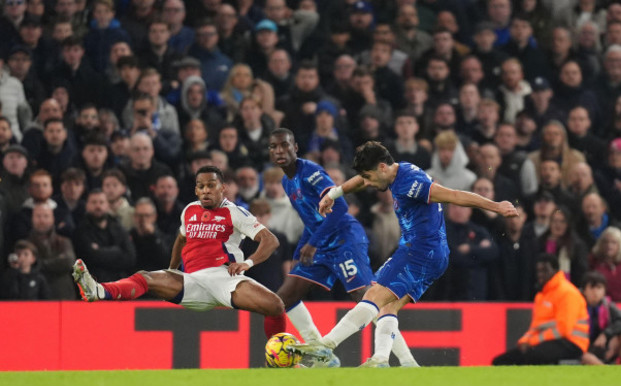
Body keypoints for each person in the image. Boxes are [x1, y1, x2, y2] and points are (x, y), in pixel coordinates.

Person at [289, 140, 517, 367]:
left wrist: (496, 206)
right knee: (388, 306)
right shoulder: (394, 171)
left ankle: (325, 345)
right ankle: (392, 361)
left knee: (372, 297)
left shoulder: (412, 182)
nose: (367, 182)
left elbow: (455, 195)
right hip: (431, 254)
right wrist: (335, 193)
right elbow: (361, 180)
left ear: (381, 168)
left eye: (369, 176)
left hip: (420, 251)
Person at [266, 129, 420, 368]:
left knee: (366, 298)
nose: (279, 151)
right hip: (321, 242)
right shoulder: (287, 182)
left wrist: (312, 243)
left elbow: (339, 207)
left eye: (284, 146)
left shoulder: (311, 172)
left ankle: (407, 361)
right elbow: (311, 219)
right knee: (285, 297)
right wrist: (303, 250)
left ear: (295, 148)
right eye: (274, 147)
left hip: (344, 239)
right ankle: (323, 356)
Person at [72, 166, 285, 331]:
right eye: (201, 186)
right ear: (196, 189)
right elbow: (181, 239)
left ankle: (276, 361)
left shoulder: (235, 212)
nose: (206, 191)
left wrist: (247, 263)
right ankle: (98, 291)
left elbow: (270, 240)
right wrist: (172, 269)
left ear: (223, 188)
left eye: (211, 185)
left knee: (275, 306)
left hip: (223, 277)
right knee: (146, 277)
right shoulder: (189, 210)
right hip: (192, 280)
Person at [492, 254, 590, 365]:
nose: (540, 275)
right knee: (500, 361)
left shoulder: (567, 293)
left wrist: (533, 341)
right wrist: (524, 340)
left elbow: (563, 329)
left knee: (532, 355)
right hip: (548, 341)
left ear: (555, 270)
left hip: (572, 342)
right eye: (538, 271)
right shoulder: (541, 295)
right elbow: (536, 326)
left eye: (545, 270)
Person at [580, 271, 621, 365]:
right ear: (584, 290)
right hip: (583, 350)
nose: (595, 292)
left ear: (604, 291)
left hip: (604, 348)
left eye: (599, 288)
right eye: (591, 288)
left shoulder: (607, 306)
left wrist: (607, 334)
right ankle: (609, 374)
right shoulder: (577, 304)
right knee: (587, 359)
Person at [588, 226, 621, 302]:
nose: (609, 246)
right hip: (599, 305)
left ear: (620, 245)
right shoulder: (593, 261)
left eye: (613, 242)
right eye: (606, 242)